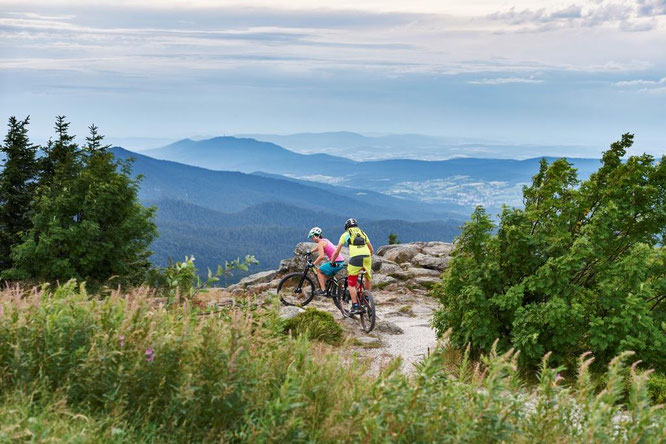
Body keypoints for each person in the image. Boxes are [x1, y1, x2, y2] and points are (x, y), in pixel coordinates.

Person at [330, 218, 373, 314]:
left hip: (355, 258)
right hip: (367, 257)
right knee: (367, 277)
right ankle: (367, 299)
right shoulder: (363, 233)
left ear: (346, 227)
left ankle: (355, 306)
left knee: (351, 284)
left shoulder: (345, 234)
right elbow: (371, 249)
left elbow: (337, 251)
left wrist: (332, 261)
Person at [308, 226, 345, 296]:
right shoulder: (325, 240)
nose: (312, 239)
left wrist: (313, 264)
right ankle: (339, 289)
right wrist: (311, 251)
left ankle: (323, 290)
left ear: (316, 236)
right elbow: (319, 248)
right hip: (340, 261)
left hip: (336, 262)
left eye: (312, 237)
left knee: (319, 271)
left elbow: (321, 257)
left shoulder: (320, 243)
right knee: (327, 275)